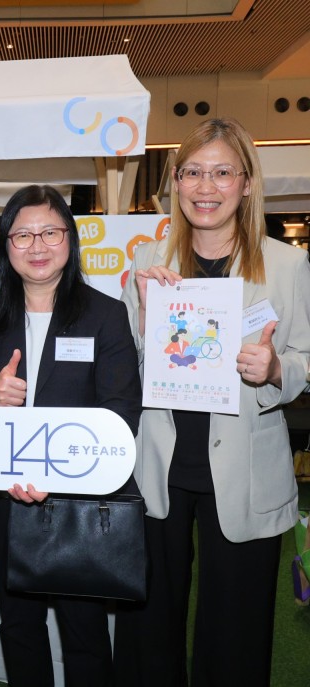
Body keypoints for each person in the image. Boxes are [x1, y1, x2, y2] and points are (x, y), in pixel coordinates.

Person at [114, 117, 310, 687]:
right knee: (149, 626)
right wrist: (149, 315)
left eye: (223, 172)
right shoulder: (151, 260)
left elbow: (302, 357)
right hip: (160, 465)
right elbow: (127, 366)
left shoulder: (286, 265)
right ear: (175, 181)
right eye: (193, 172)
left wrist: (275, 369)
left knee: (237, 629)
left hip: (246, 466)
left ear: (247, 183)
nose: (207, 186)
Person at [0, 185, 142, 687]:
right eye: (22, 235)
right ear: (5, 245)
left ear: (70, 239)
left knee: (83, 630)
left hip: (77, 503)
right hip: (8, 502)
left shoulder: (104, 315)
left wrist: (54, 477)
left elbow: (121, 414)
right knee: (19, 627)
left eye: (49, 232)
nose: (36, 246)